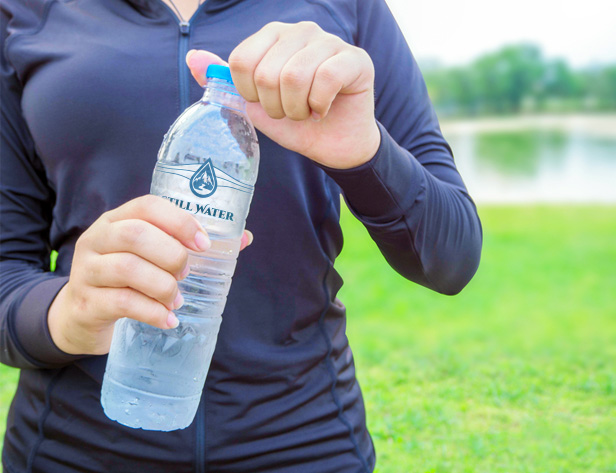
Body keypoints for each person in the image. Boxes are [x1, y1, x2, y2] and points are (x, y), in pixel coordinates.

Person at [0, 0, 482, 471]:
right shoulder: (24, 12)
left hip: (303, 441)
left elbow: (451, 257)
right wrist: (65, 315)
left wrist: (366, 153)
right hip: (76, 447)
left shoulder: (347, 7)